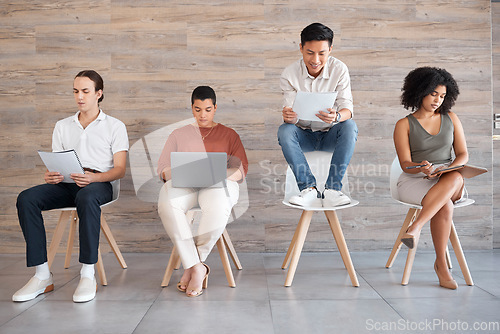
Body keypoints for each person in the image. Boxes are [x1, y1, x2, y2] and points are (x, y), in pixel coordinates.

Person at [13, 70, 129, 303]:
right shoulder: (63, 125)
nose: (80, 96)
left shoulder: (115, 126)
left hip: (99, 184)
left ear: (99, 93)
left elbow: (119, 170)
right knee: (26, 198)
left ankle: (87, 273)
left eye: (85, 91)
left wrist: (94, 179)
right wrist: (51, 175)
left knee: (86, 198)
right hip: (68, 183)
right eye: (76, 91)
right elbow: (57, 161)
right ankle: (42, 275)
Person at [157, 86, 248, 297]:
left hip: (218, 183)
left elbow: (240, 170)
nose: (202, 115)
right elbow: (163, 169)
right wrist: (186, 171)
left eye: (207, 109)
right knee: (167, 203)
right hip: (185, 183)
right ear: (192, 108)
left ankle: (194, 265)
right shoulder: (178, 134)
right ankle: (198, 267)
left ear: (215, 108)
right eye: (197, 110)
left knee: (219, 203)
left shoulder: (229, 134)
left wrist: (218, 173)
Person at [394, 67, 467, 290]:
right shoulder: (404, 124)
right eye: (434, 94)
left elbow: (463, 154)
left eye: (443, 96)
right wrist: (422, 168)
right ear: (420, 91)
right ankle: (441, 266)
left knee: (454, 177)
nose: (438, 100)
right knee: (444, 205)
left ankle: (415, 227)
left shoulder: (451, 118)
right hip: (415, 179)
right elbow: (405, 164)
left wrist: (446, 168)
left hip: (448, 177)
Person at [278, 22, 358, 207]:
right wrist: (289, 117)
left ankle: (332, 189)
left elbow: (348, 109)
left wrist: (337, 117)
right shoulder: (289, 74)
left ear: (330, 49)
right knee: (285, 130)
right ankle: (308, 189)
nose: (315, 60)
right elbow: (290, 114)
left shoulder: (339, 69)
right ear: (301, 48)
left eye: (322, 53)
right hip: (303, 135)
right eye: (309, 52)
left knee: (349, 126)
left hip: (331, 134)